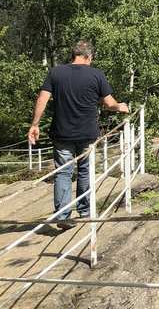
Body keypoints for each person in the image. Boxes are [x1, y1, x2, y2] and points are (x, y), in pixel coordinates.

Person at [27, 40, 129, 230]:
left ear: (73, 55)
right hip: (87, 134)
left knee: (63, 173)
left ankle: (63, 216)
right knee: (85, 171)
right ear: (88, 56)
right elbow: (109, 103)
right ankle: (85, 210)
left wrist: (35, 124)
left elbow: (42, 98)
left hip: (62, 133)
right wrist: (119, 106)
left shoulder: (56, 72)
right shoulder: (96, 74)